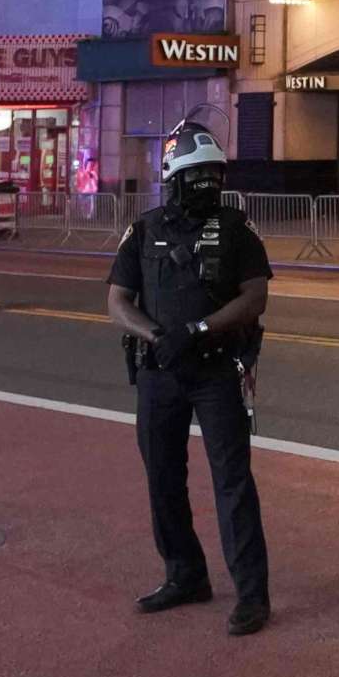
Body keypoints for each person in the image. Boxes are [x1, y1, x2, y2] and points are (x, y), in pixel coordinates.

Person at [104, 119, 273, 635]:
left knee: (232, 482)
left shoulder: (236, 229)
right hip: (160, 373)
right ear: (172, 177)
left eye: (213, 174)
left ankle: (251, 595)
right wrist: (157, 337)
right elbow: (116, 301)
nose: (207, 184)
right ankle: (185, 575)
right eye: (196, 175)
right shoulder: (145, 228)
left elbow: (255, 296)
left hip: (216, 370)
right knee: (163, 479)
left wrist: (199, 329)